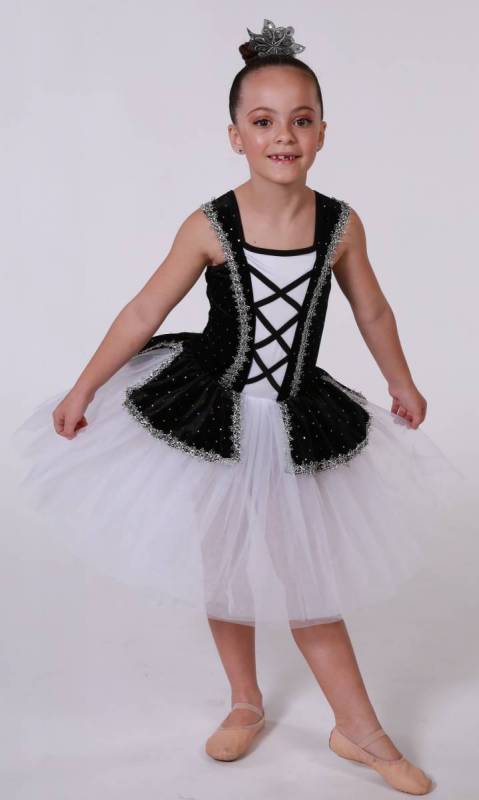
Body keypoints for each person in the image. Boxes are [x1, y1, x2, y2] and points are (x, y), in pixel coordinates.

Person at [12, 18, 463, 794]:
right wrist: (84, 388)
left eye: (300, 120)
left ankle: (359, 731)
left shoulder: (340, 225)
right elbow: (143, 311)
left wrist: (401, 380)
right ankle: (245, 702)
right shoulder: (209, 224)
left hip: (293, 417)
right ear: (235, 136)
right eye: (262, 121)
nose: (282, 136)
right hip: (209, 411)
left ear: (321, 132)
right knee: (221, 560)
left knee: (305, 577)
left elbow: (372, 310)